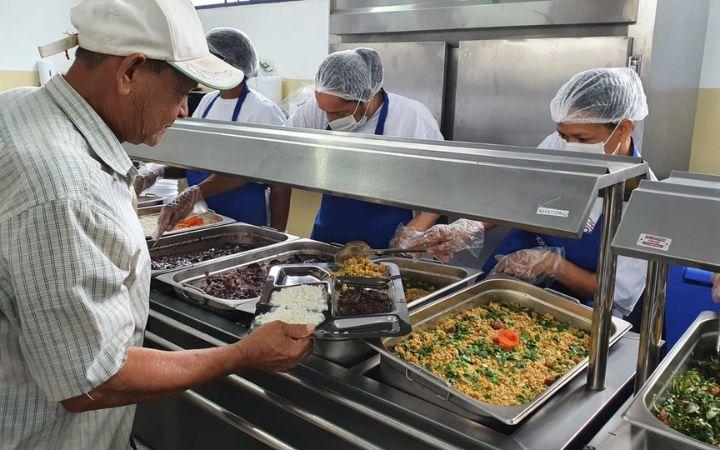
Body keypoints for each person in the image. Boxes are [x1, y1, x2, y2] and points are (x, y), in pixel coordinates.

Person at [0, 1, 312, 448]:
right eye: (181, 92)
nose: (184, 110)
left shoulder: (22, 106)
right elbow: (94, 381)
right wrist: (242, 354)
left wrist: (129, 182)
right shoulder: (63, 190)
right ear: (130, 71)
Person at [398, 68, 652, 318]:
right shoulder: (558, 145)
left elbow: (615, 292)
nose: (569, 145)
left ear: (623, 129)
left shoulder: (644, 200)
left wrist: (553, 265)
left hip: (572, 313)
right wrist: (467, 227)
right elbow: (519, 195)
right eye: (563, 134)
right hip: (508, 284)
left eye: (583, 139)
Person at [134, 28, 291, 234]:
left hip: (246, 215)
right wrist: (158, 171)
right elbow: (195, 162)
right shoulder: (208, 102)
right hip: (205, 215)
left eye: (209, 59)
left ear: (230, 64)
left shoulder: (262, 111)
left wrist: (276, 233)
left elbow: (280, 183)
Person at [286, 48, 443, 248]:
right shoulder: (312, 112)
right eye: (325, 111)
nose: (329, 119)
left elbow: (439, 184)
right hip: (328, 234)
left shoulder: (411, 118)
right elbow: (281, 154)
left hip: (387, 241)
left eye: (339, 112)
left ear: (366, 97)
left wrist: (415, 229)